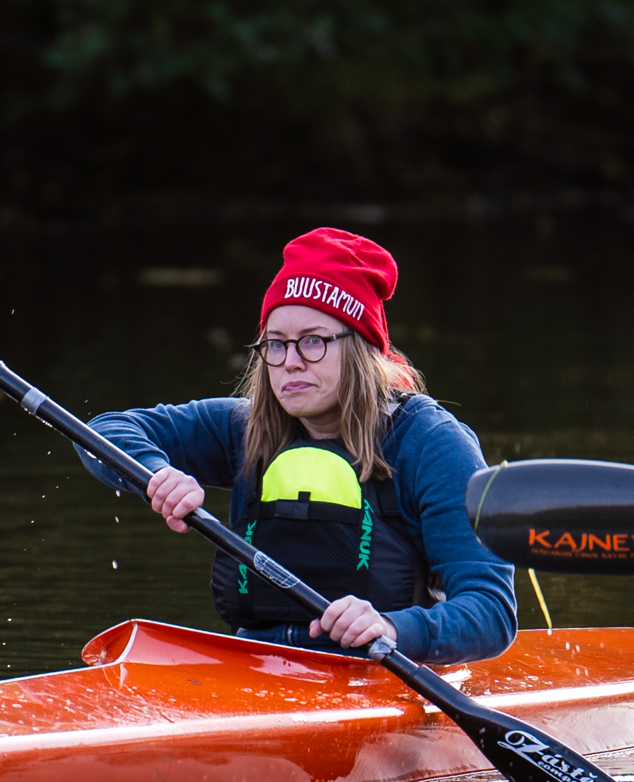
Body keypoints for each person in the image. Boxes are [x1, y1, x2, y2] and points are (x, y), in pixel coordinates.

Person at [83, 229, 519, 663]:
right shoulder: (244, 426)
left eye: (313, 340)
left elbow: (491, 613)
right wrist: (155, 474)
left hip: (383, 674)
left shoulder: (431, 444)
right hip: (259, 669)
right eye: (275, 343)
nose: (290, 361)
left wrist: (392, 627)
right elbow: (103, 433)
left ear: (361, 349)